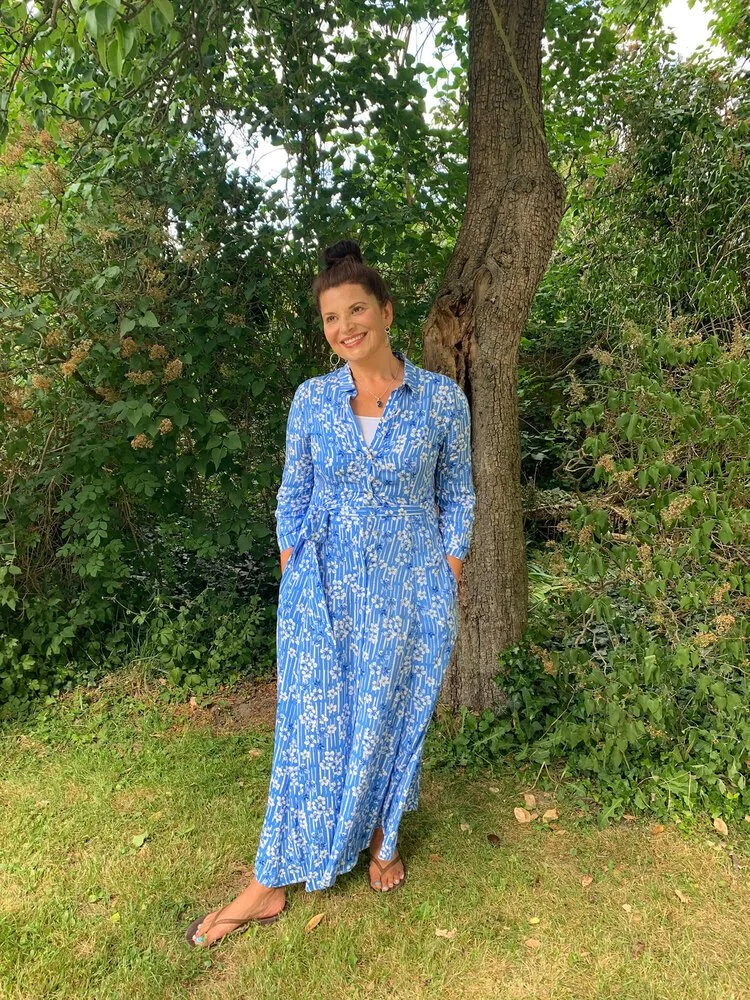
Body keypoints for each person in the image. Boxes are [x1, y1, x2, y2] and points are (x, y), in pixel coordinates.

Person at [185, 239, 475, 948]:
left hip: (411, 590)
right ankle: (267, 882)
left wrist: (450, 570)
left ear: (385, 312)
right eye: (331, 318)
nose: (345, 327)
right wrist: (292, 562)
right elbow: (294, 490)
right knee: (309, 728)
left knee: (394, 715)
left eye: (356, 311)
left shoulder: (440, 400)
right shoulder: (313, 400)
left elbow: (458, 493)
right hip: (323, 587)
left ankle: (383, 836)